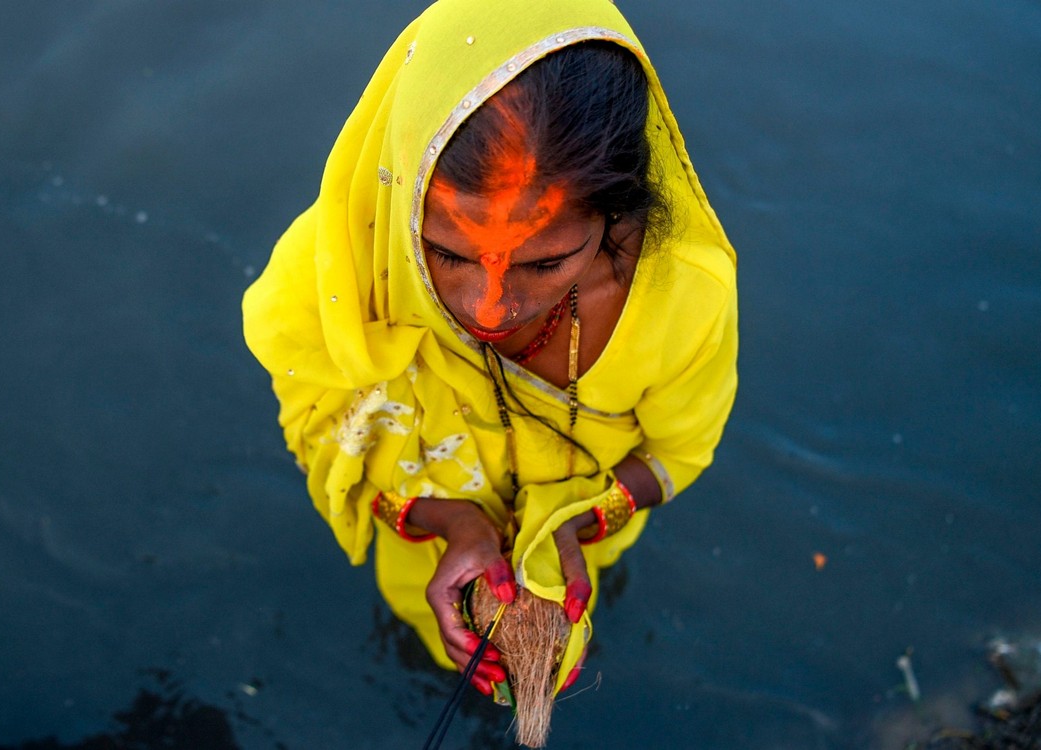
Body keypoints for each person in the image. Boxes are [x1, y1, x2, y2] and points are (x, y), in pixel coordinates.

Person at [242, 0, 738, 699]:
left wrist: (576, 528)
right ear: (404, 193)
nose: (487, 308)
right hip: (431, 566)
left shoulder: (680, 296)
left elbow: (681, 450)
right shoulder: (337, 276)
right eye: (446, 252)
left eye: (546, 264)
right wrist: (452, 523)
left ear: (619, 213)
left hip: (582, 562)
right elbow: (319, 429)